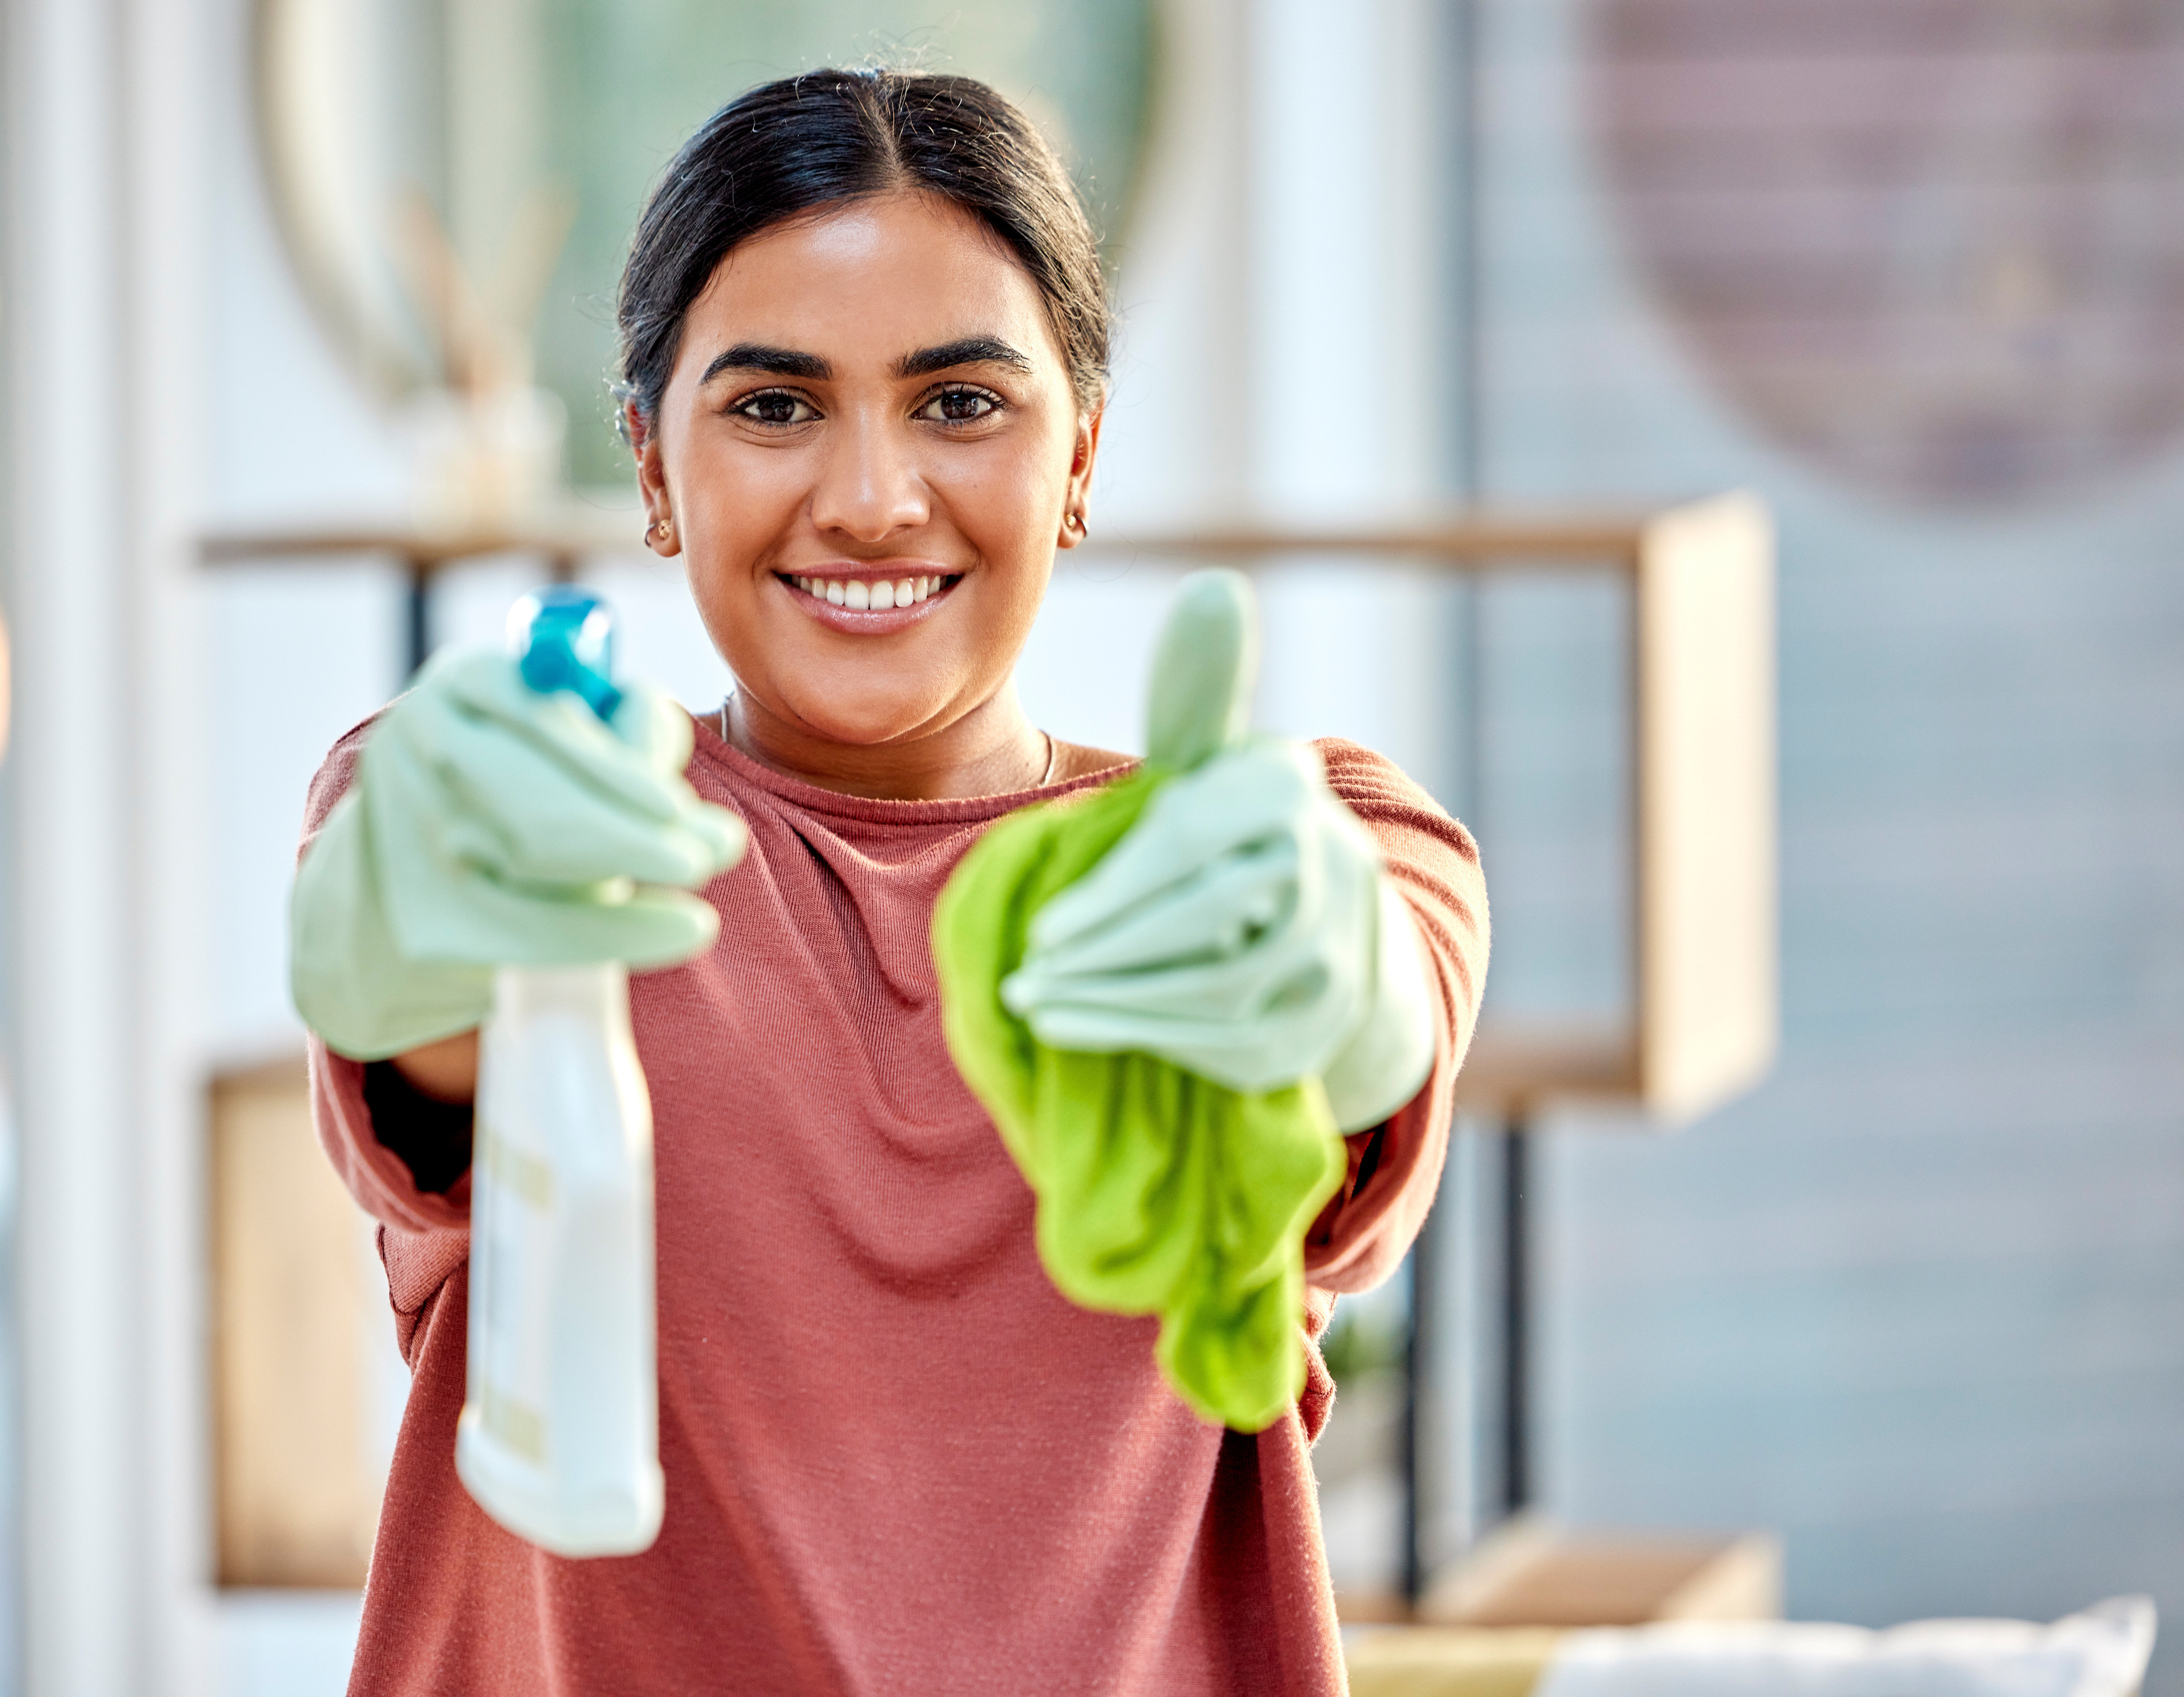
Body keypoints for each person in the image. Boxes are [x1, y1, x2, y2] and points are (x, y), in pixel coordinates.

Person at [290, 67, 1488, 1696]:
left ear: (1080, 455)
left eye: (960, 402)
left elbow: (1384, 1012)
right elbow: (423, 1001)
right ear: (649, 465)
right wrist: (399, 909)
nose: (867, 499)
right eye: (773, 406)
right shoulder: (534, 843)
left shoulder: (1285, 852)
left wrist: (1343, 989)